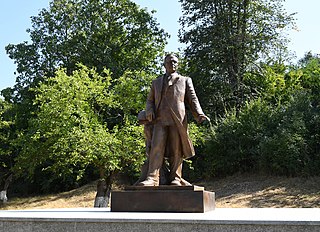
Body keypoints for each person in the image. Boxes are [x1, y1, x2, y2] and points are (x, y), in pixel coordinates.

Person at [138, 54, 209, 186]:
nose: (173, 64)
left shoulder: (185, 80)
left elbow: (193, 99)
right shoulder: (156, 83)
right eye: (170, 62)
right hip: (160, 120)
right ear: (164, 65)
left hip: (178, 120)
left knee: (177, 149)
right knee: (156, 147)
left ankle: (176, 178)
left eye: (175, 62)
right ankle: (152, 178)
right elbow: (150, 101)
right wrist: (149, 111)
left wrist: (199, 114)